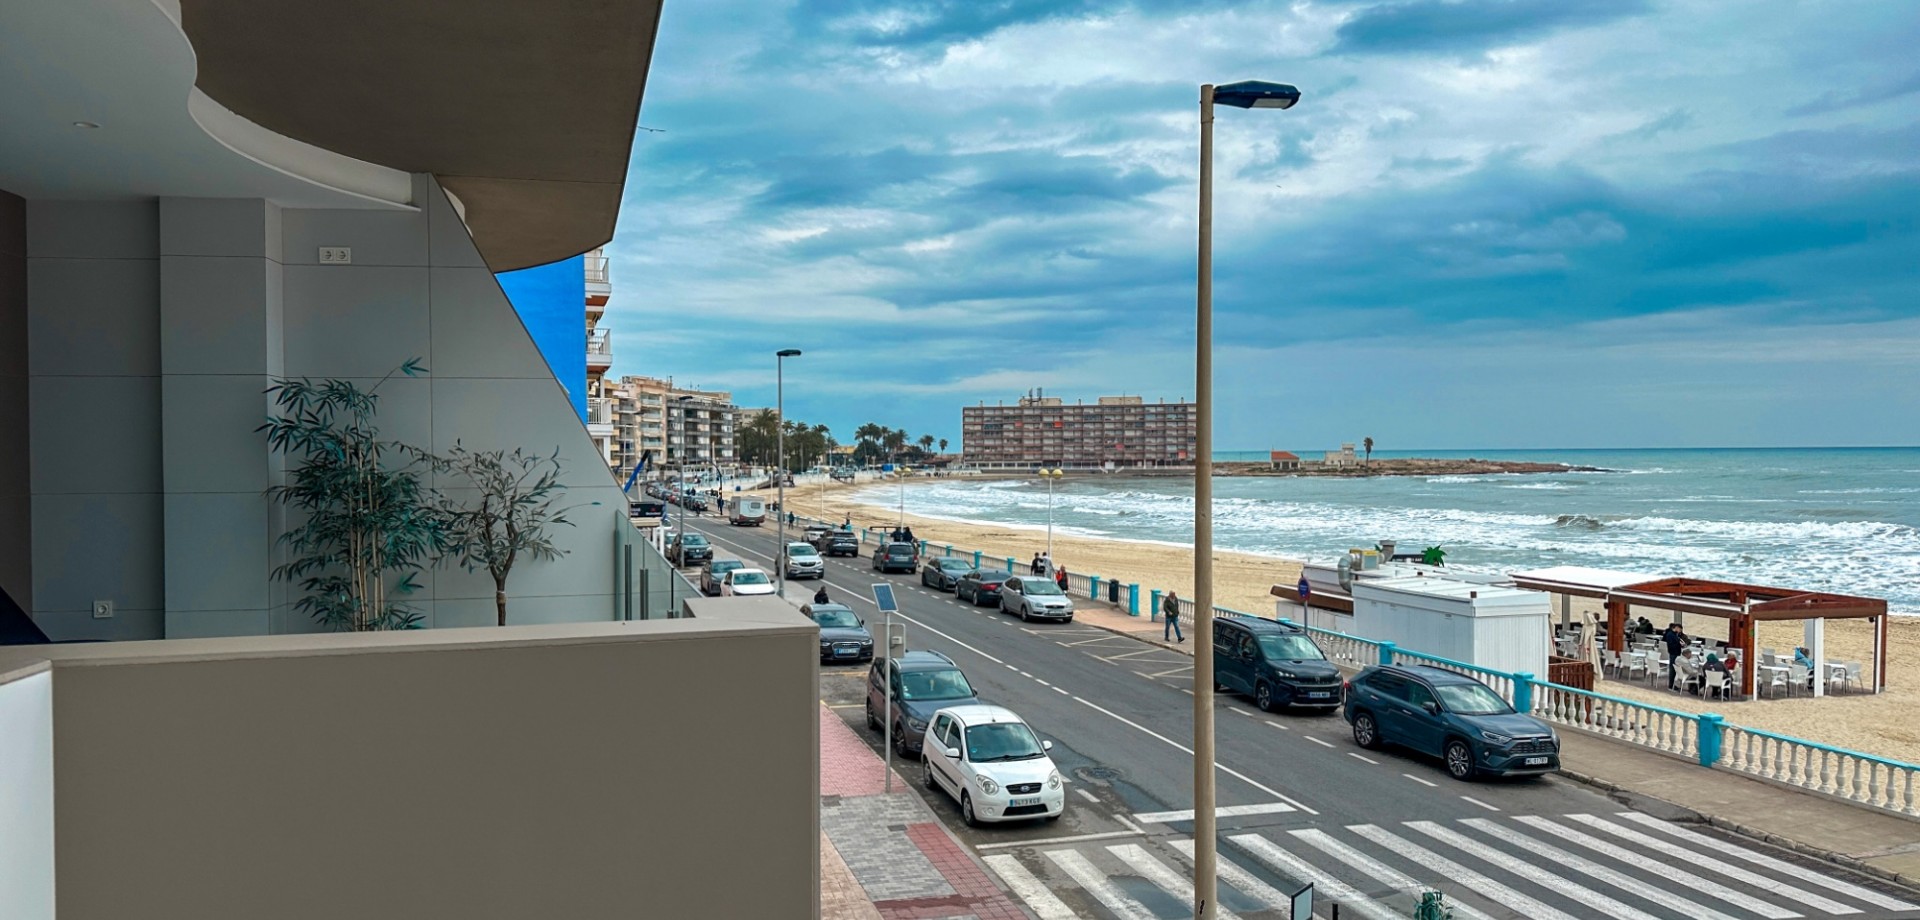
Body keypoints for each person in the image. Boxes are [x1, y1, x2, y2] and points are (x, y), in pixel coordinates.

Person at [1661, 622, 1689, 690]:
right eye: (1680, 629)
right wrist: (1679, 644)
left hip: (1674, 653)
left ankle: (1672, 684)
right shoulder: (1671, 635)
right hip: (1674, 653)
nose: (1680, 631)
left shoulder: (1673, 634)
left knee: (1674, 669)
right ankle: (1671, 685)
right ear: (1676, 628)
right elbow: (1672, 644)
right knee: (1673, 669)